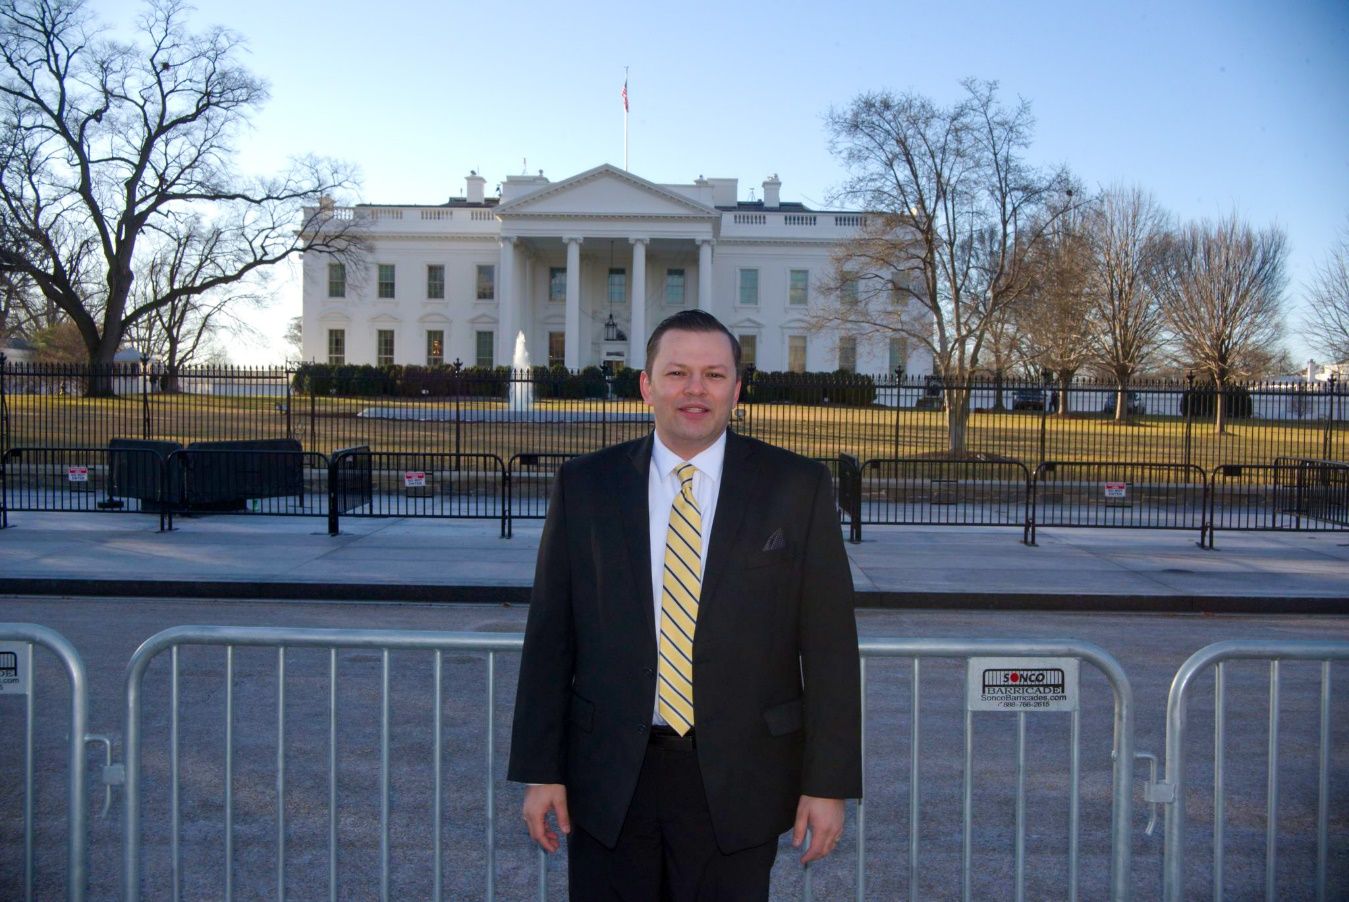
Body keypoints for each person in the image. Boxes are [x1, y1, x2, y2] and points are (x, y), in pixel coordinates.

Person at [508, 309, 862, 900]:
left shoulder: (795, 487)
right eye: (677, 373)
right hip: (609, 777)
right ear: (646, 385)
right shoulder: (585, 486)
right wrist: (542, 771)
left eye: (713, 375)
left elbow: (829, 648)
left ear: (737, 389)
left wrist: (827, 784)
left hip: (740, 779)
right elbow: (550, 638)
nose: (695, 390)